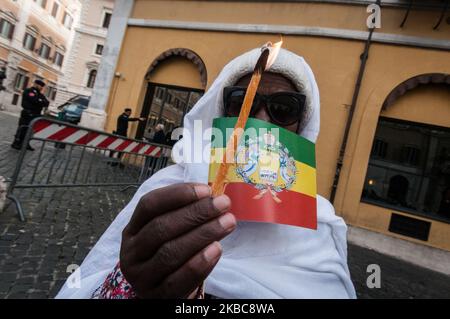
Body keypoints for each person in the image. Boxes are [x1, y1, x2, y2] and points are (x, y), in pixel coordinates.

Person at [57, 48, 356, 299]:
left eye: (284, 108)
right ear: (220, 112)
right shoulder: (168, 188)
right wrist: (129, 284)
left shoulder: (319, 221)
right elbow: (88, 283)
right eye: (243, 103)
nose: (261, 121)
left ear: (302, 125)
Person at [11, 79, 49, 151]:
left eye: (42, 86)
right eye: (40, 86)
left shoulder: (40, 94)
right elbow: (34, 100)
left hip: (36, 114)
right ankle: (17, 143)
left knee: (30, 130)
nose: (41, 88)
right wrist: (40, 101)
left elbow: (46, 103)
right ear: (35, 84)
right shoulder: (28, 91)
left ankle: (26, 144)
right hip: (28, 113)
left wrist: (39, 101)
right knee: (23, 128)